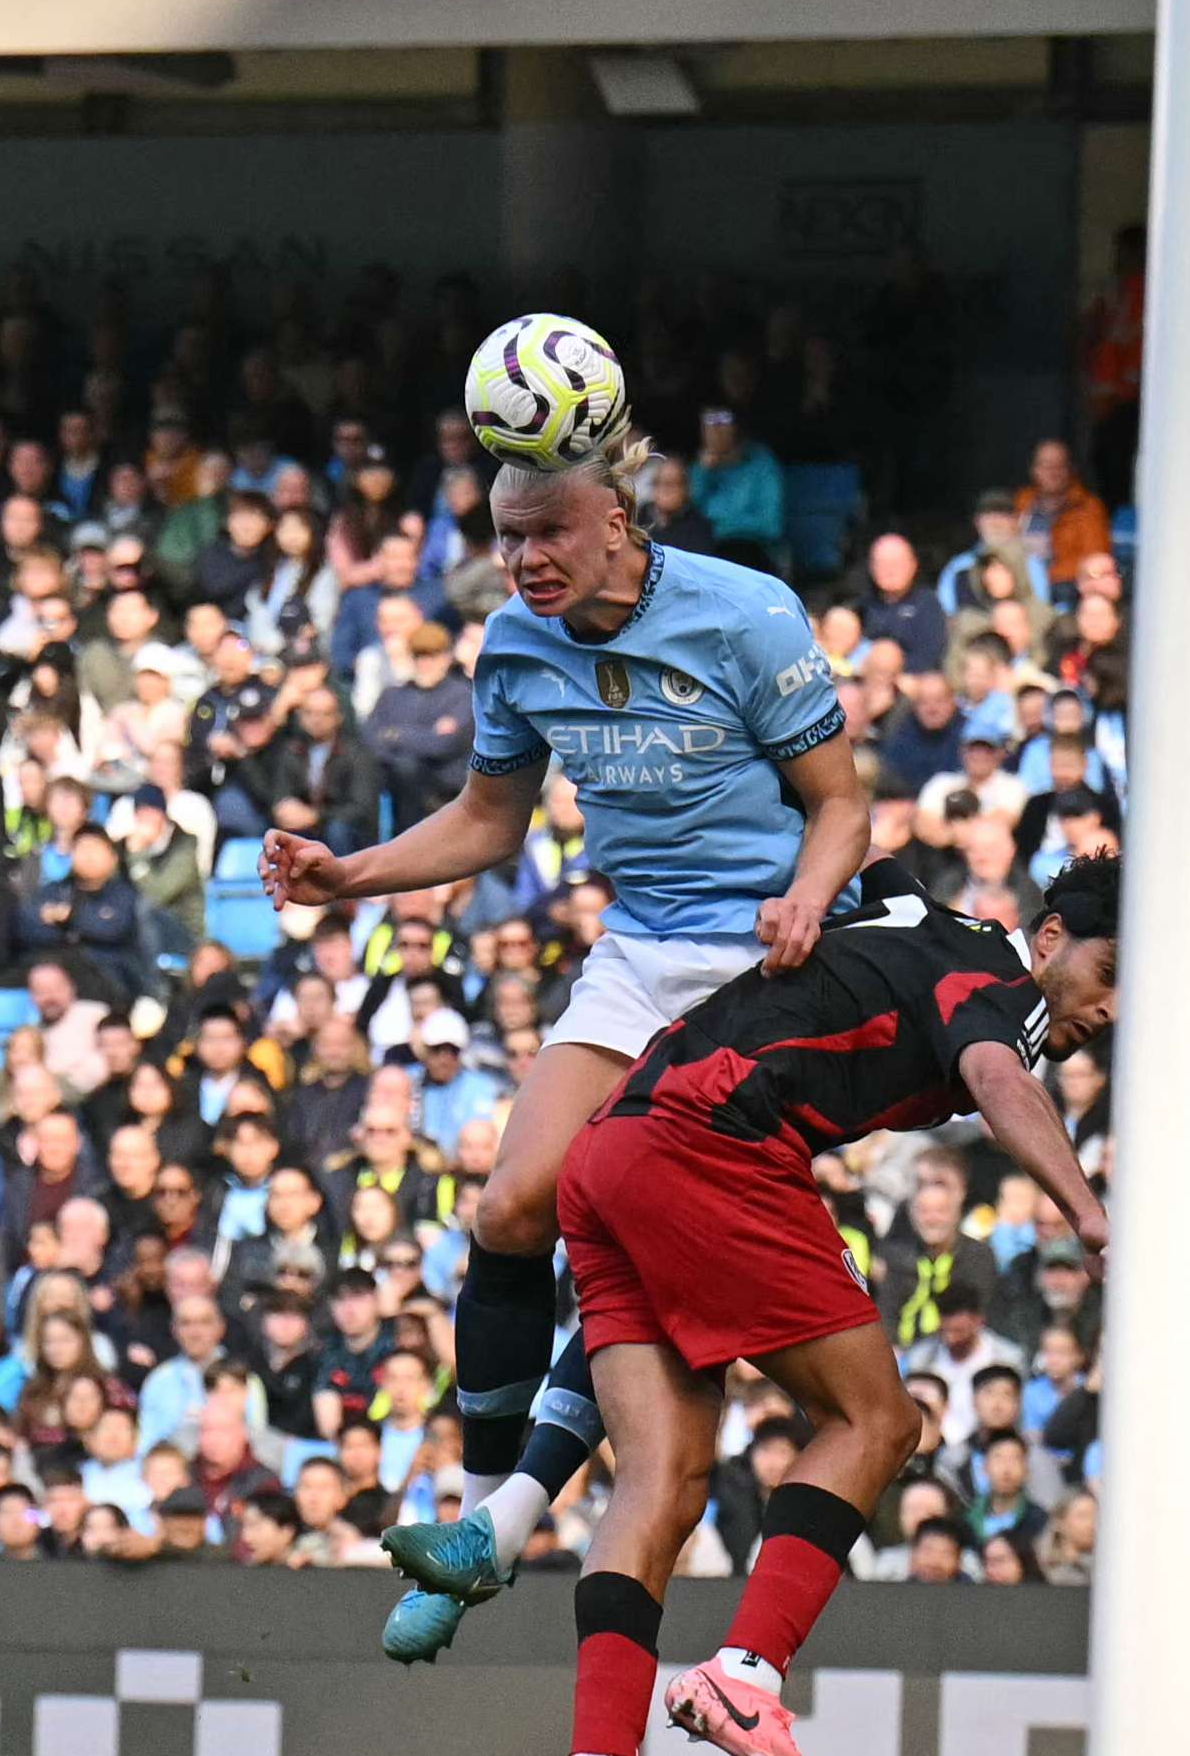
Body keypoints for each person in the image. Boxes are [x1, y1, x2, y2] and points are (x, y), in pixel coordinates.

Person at [258, 439, 870, 1664]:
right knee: (505, 1208)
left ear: (616, 521)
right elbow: (490, 820)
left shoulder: (744, 613)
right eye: (505, 536)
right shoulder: (518, 646)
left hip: (765, 970)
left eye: (547, 533)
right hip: (640, 953)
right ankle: (489, 1508)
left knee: (621, 1208)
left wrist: (807, 895)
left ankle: (510, 1517)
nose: (524, 559)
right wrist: (349, 877)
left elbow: (841, 802)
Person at [558, 857, 1115, 1756]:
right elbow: (999, 1077)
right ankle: (746, 1672)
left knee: (663, 1478)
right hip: (716, 1136)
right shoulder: (1006, 990)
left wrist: (801, 894)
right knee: (880, 1420)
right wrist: (1092, 1219)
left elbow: (872, 873)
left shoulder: (917, 914)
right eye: (1108, 973)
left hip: (610, 1142)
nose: (1109, 1008)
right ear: (1049, 936)